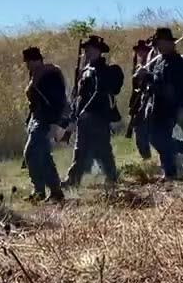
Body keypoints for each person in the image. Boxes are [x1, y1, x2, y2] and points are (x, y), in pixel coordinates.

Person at [64, 35, 124, 188]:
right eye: (86, 49)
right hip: (84, 117)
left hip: (98, 116)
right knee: (80, 149)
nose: (87, 52)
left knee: (102, 149)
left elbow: (100, 92)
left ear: (98, 51)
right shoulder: (85, 69)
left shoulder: (102, 70)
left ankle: (111, 177)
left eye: (90, 49)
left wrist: (86, 110)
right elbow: (79, 96)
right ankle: (73, 179)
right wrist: (75, 114)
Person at [139, 27, 183, 180]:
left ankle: (170, 172)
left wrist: (149, 77)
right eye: (157, 43)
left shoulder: (176, 62)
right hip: (157, 105)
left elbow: (169, 86)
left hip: (169, 106)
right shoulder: (159, 60)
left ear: (169, 43)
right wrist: (146, 79)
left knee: (161, 139)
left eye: (160, 43)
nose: (157, 46)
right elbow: (155, 83)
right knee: (157, 138)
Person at [22, 46, 66, 202]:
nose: (26, 65)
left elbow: (56, 101)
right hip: (38, 119)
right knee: (42, 156)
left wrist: (54, 123)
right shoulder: (38, 74)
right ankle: (53, 191)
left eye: (28, 61)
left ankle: (41, 190)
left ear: (36, 60)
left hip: (45, 121)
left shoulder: (48, 76)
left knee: (32, 153)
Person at [126, 39, 154, 158]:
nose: (141, 53)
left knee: (151, 135)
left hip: (149, 103)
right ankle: (146, 158)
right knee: (139, 134)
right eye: (139, 51)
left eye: (144, 51)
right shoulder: (137, 67)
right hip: (138, 104)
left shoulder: (151, 66)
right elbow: (135, 89)